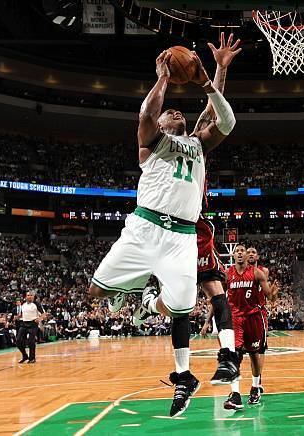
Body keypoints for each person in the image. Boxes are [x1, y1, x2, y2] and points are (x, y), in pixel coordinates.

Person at [88, 39, 236, 417]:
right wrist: (164, 79)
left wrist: (210, 76)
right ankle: (137, 286)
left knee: (179, 308)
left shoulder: (198, 144)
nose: (173, 112)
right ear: (162, 123)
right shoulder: (152, 143)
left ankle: (154, 312)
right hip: (144, 228)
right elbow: (145, 115)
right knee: (95, 290)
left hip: (182, 237)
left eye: (176, 112)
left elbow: (224, 118)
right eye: (168, 112)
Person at [223, 244, 279, 410]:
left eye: (243, 251)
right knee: (234, 354)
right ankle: (235, 394)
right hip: (235, 319)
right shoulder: (227, 274)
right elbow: (218, 296)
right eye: (238, 251)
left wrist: (274, 294)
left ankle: (255, 387)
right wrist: (209, 320)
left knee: (255, 354)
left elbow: (270, 296)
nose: (240, 253)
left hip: (254, 317)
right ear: (233, 255)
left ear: (247, 257)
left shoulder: (257, 273)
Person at [16, 291, 46, 364]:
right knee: (18, 340)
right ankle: (24, 356)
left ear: (33, 296)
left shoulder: (36, 304)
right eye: (28, 295)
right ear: (26, 297)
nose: (29, 296)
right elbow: (22, 314)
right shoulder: (23, 305)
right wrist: (18, 317)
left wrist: (39, 319)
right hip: (24, 323)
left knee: (31, 341)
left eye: (31, 295)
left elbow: (44, 314)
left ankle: (32, 358)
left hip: (33, 324)